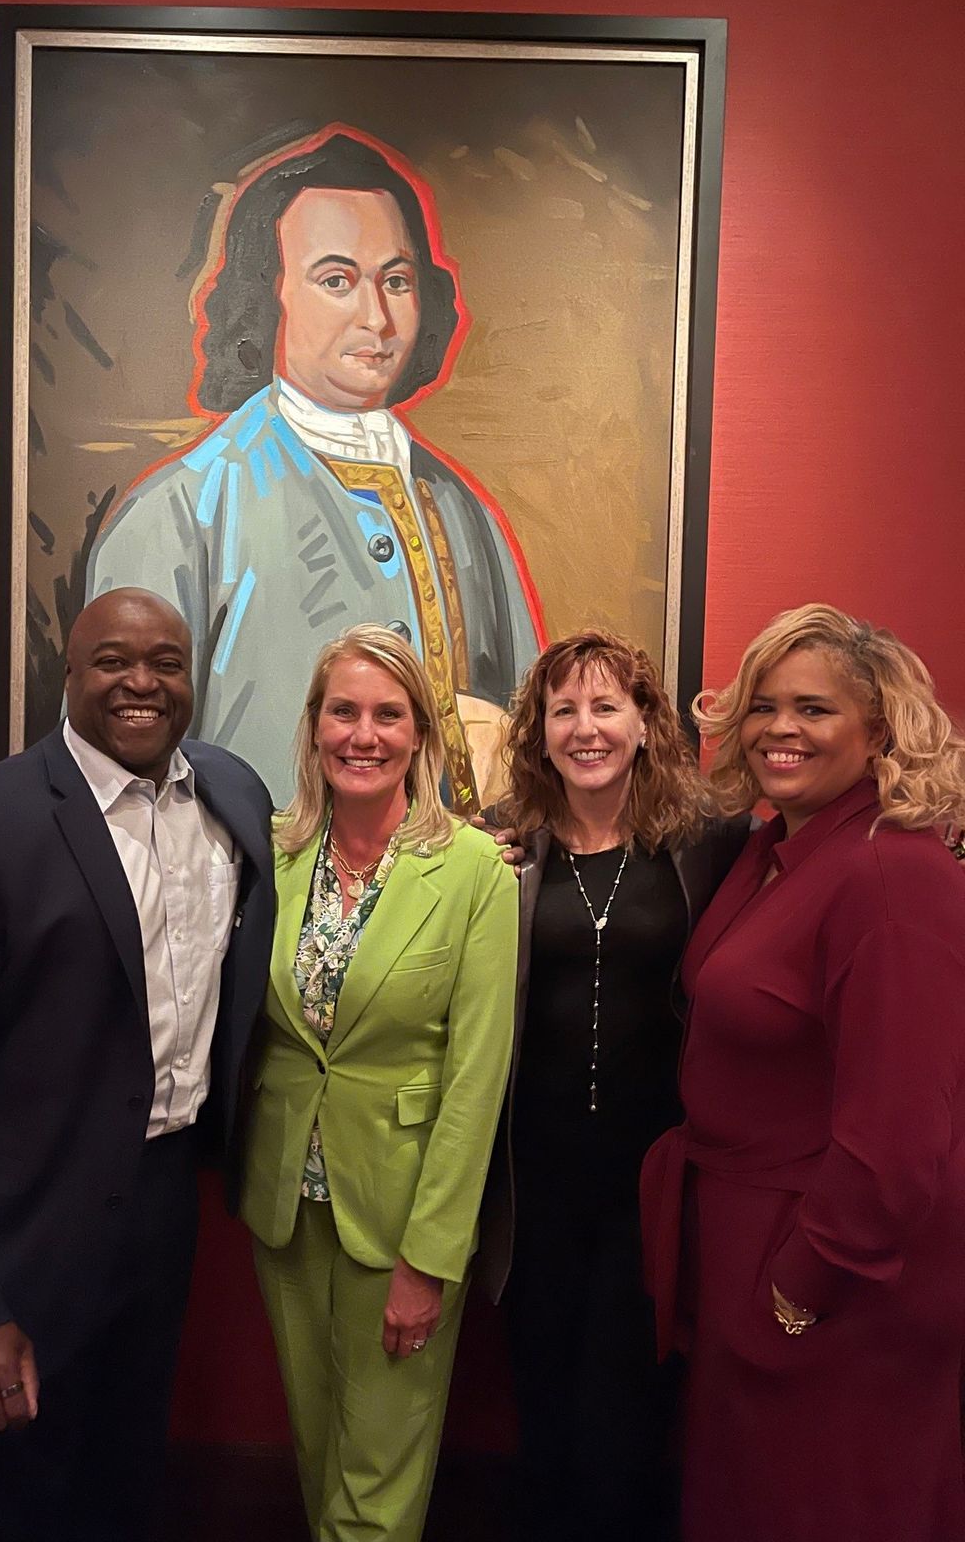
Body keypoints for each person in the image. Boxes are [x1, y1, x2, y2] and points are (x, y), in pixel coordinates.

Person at [0, 588, 274, 1542]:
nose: (142, 683)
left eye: (166, 662)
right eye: (113, 661)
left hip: (167, 1210)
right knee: (21, 1499)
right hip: (22, 1230)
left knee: (125, 1480)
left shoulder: (232, 797)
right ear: (69, 675)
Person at [85, 125, 543, 812]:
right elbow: (119, 781)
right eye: (337, 280)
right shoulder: (180, 512)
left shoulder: (461, 508)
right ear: (268, 296)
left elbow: (532, 726)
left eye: (397, 280)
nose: (377, 317)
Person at [640, 603, 965, 1542]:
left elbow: (903, 1129)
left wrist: (801, 1285)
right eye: (764, 706)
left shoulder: (893, 873)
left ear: (878, 732)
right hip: (751, 1248)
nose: (782, 728)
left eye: (815, 709)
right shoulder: (775, 850)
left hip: (840, 1285)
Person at [239, 624, 517, 1541]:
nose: (363, 734)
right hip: (286, 1204)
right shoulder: (269, 855)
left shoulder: (475, 873)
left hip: (401, 1216)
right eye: (343, 711)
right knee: (318, 1450)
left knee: (380, 1475)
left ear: (421, 737)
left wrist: (431, 1258)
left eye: (388, 715)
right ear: (313, 726)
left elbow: (476, 1084)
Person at [473, 630, 747, 1541]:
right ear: (539, 730)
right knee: (543, 1413)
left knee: (626, 1423)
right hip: (534, 1185)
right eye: (564, 710)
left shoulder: (705, 844)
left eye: (605, 707)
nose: (585, 728)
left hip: (654, 1185)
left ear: (643, 723)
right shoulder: (505, 845)